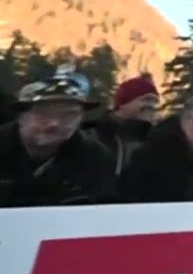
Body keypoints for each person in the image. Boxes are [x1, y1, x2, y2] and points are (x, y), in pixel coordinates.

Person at [0, 69, 115, 207]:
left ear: (80, 119)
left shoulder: (95, 157)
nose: (54, 123)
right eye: (43, 113)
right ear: (21, 117)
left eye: (68, 115)